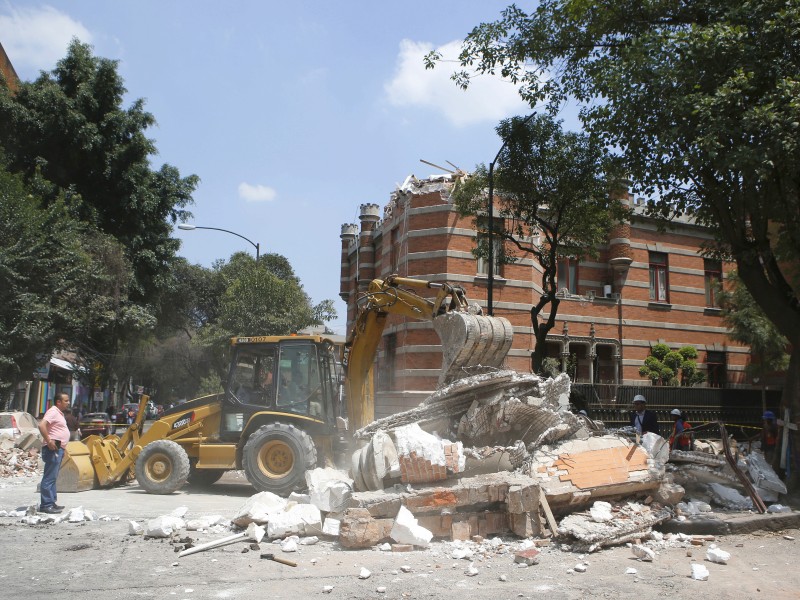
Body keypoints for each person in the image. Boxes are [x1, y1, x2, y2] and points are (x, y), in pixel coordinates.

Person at [37, 393, 71, 514]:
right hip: (52, 449)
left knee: (53, 477)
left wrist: (63, 448)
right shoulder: (53, 411)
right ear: (58, 402)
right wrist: (49, 440)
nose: (68, 403)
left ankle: (51, 502)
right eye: (66, 401)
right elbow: (41, 425)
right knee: (49, 477)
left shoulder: (59, 413)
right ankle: (46, 505)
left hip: (58, 448)